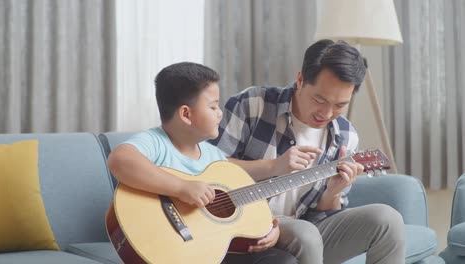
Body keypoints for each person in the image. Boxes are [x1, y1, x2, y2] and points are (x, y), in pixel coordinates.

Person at [210, 40, 405, 264]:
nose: (327, 113)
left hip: (305, 230)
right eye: (319, 99)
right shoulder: (253, 105)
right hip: (245, 222)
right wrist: (274, 166)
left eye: (340, 105)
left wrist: (333, 192)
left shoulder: (345, 135)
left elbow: (321, 216)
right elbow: (209, 169)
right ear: (300, 80)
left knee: (387, 219)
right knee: (306, 233)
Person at [107, 62, 297, 264]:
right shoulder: (156, 141)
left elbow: (239, 191)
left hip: (208, 249)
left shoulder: (213, 155)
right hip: (172, 248)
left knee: (283, 260)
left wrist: (269, 228)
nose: (220, 113)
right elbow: (120, 160)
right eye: (213, 106)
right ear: (186, 115)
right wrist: (181, 187)